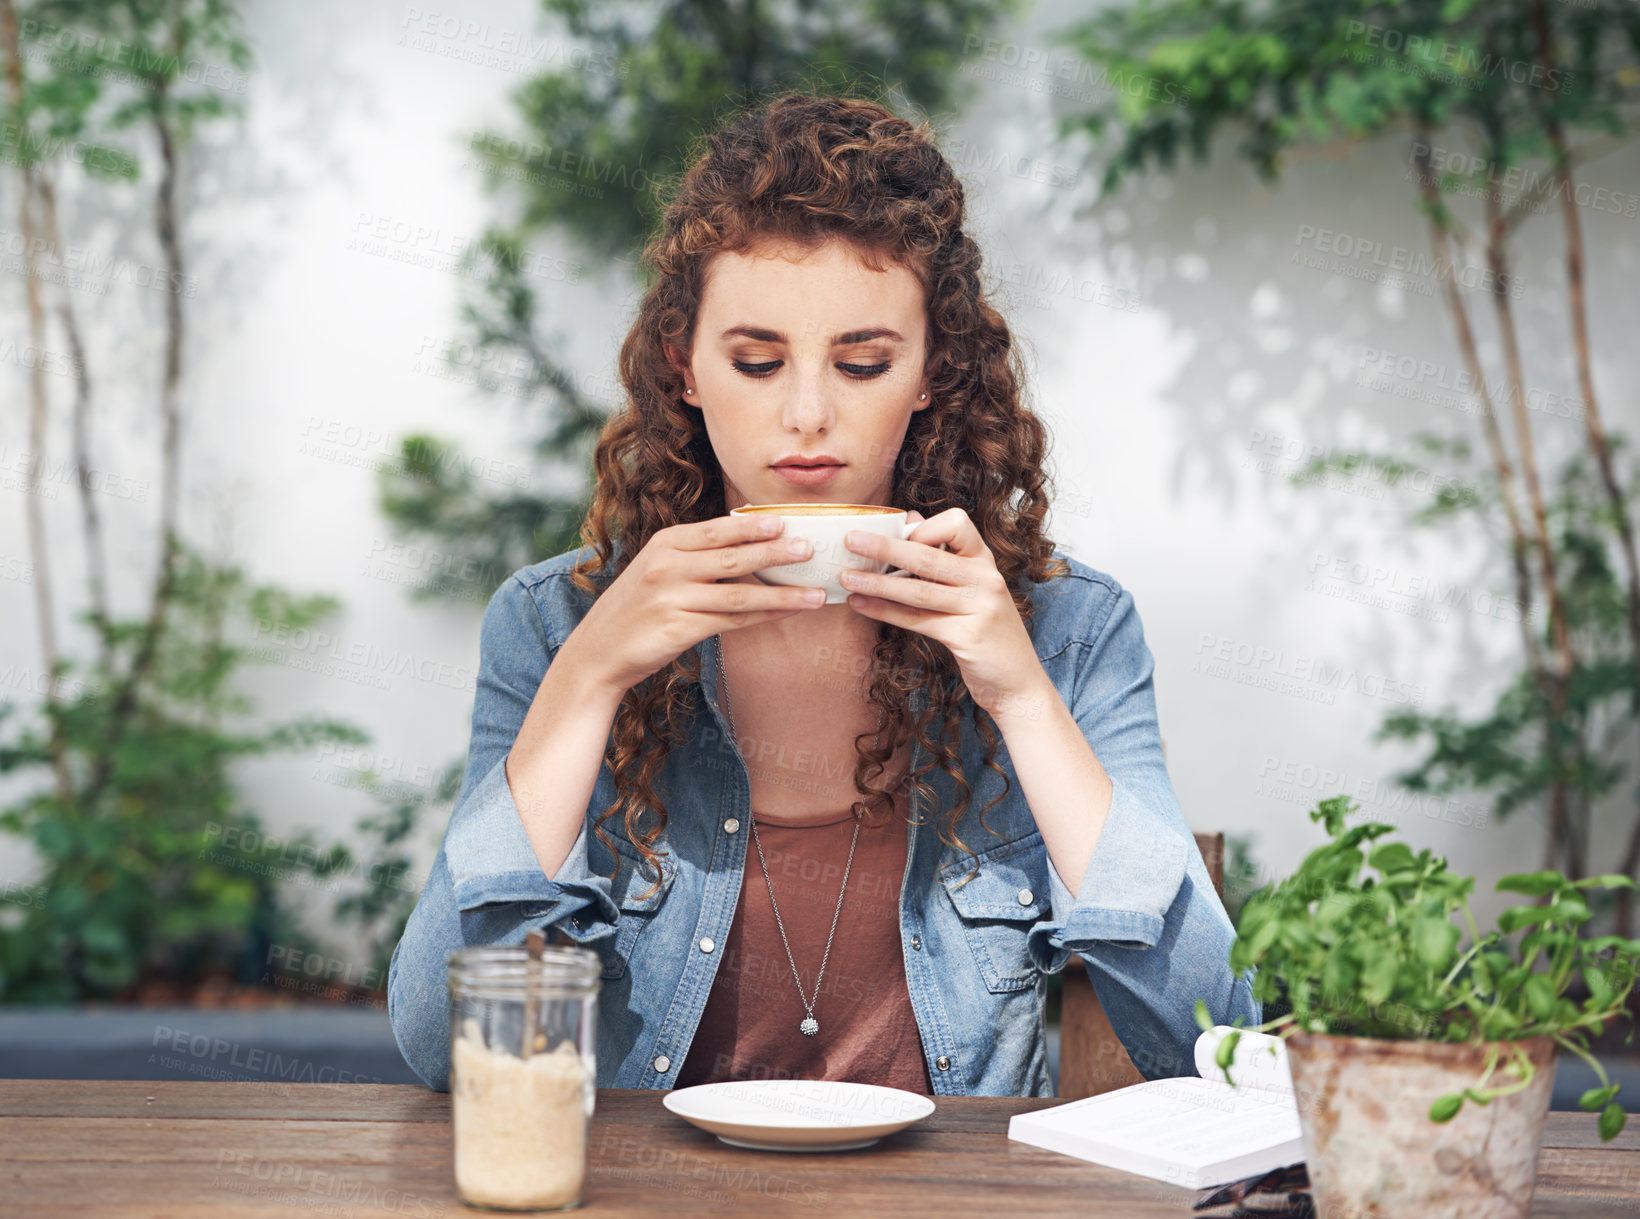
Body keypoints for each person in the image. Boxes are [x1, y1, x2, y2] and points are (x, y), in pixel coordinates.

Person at [387, 92, 1258, 1096]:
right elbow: (433, 1041)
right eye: (756, 361)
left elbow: (1217, 1041)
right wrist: (586, 679)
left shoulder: (1066, 632)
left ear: (930, 369)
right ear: (685, 369)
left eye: (862, 362)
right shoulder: (553, 625)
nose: (806, 416)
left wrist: (1019, 697)